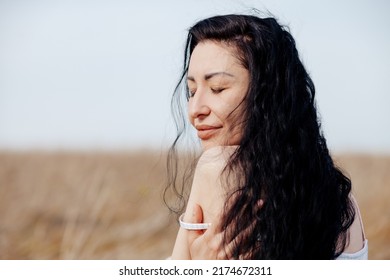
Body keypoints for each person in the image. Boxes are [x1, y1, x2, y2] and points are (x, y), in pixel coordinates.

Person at [165, 13, 368, 259]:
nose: (195, 110)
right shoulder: (341, 200)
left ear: (267, 94)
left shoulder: (218, 167)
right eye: (192, 91)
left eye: (217, 89)